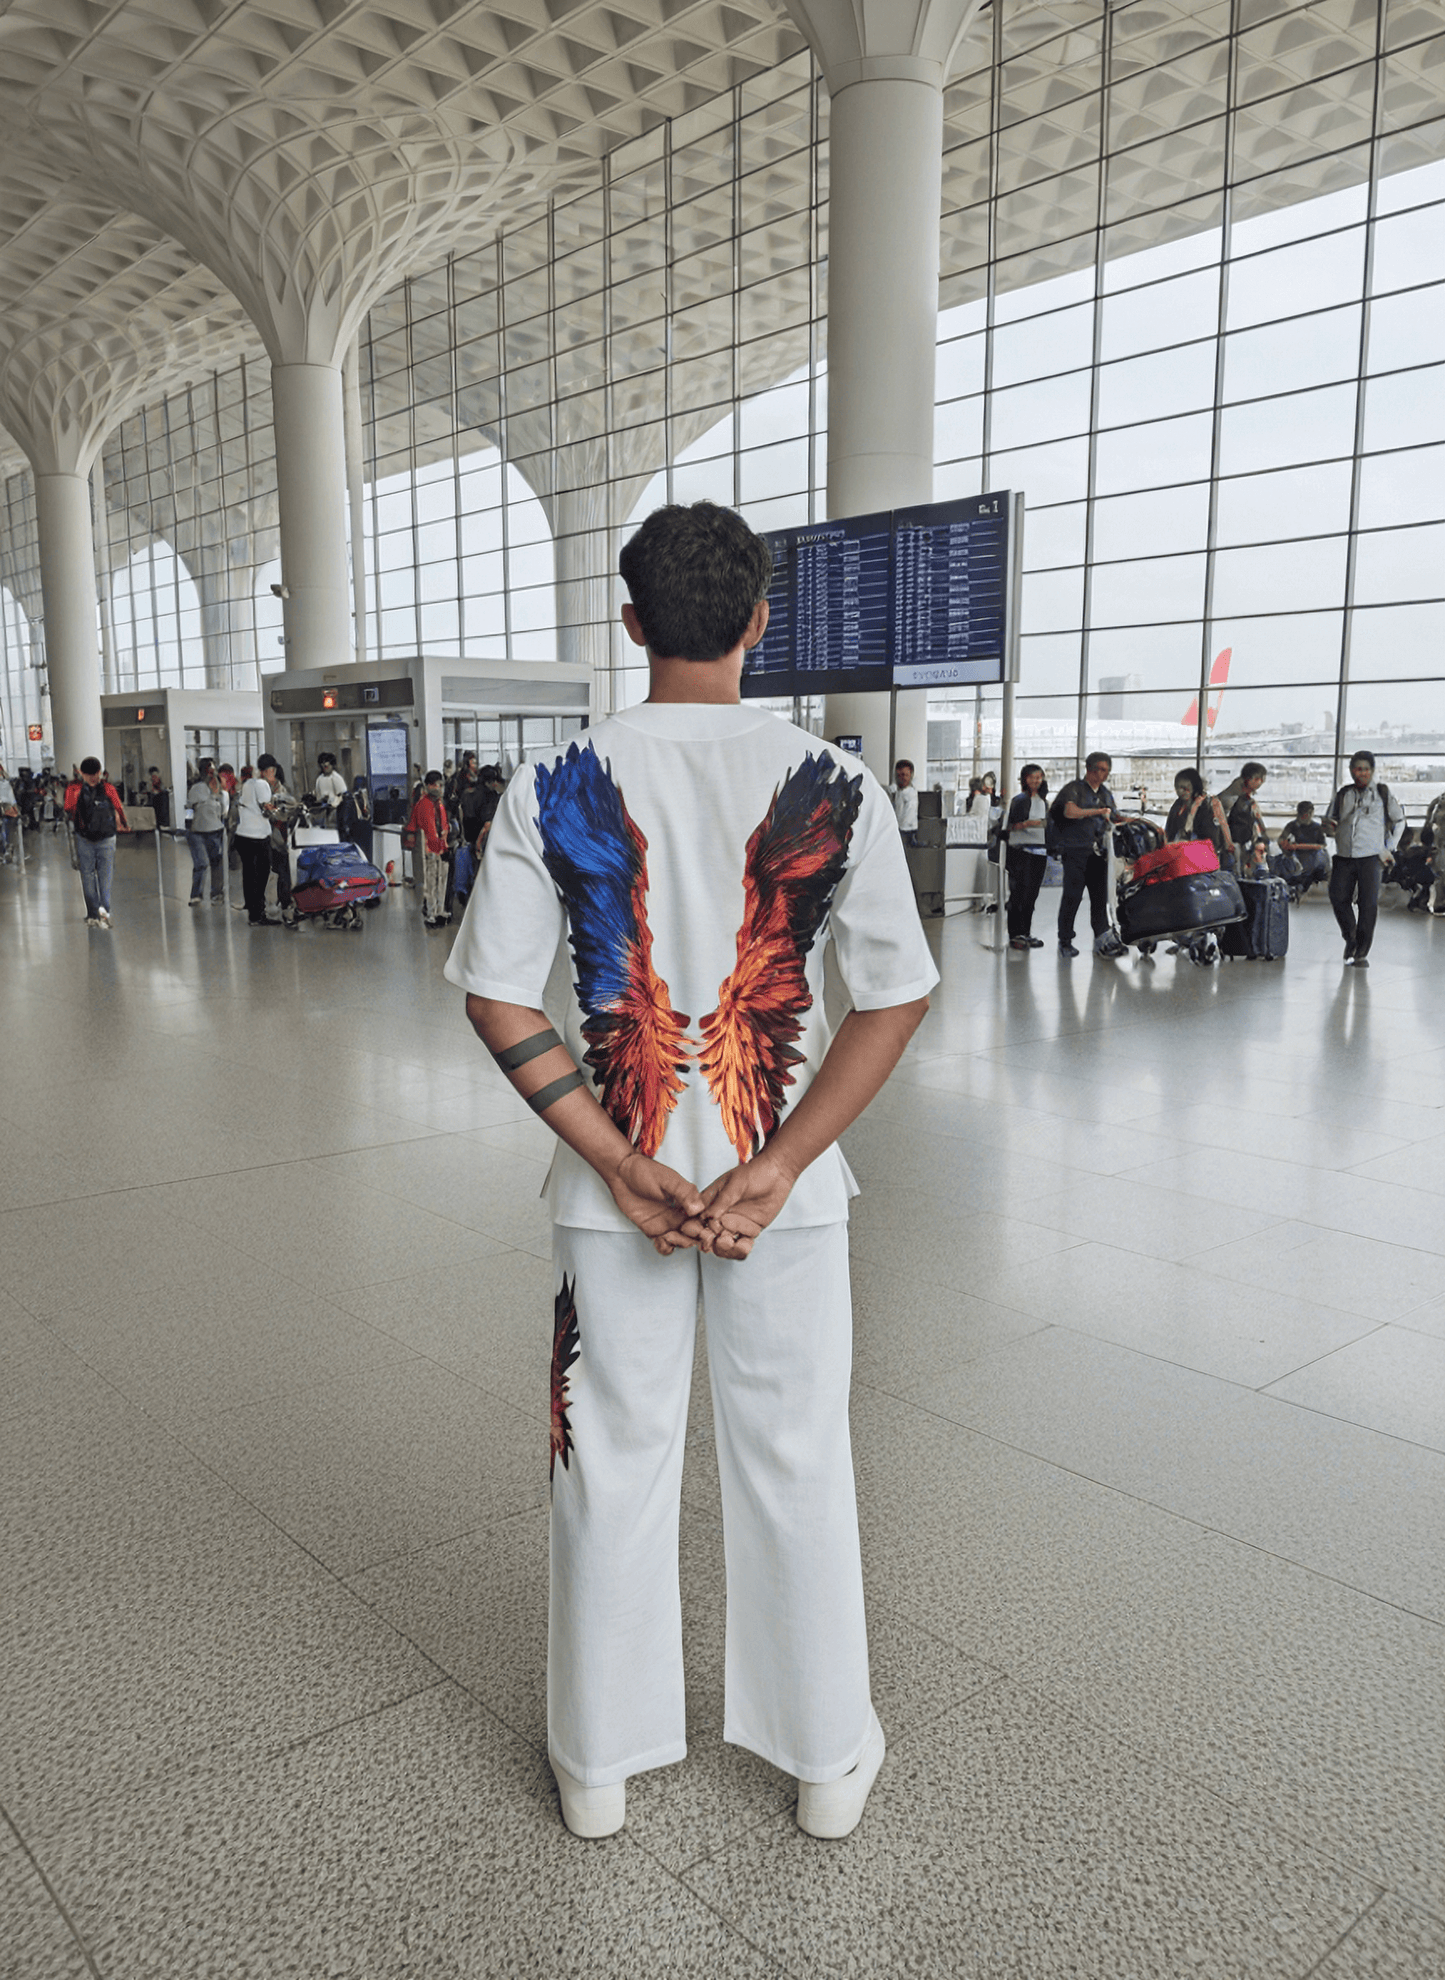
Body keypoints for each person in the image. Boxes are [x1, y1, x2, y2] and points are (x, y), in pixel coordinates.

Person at [446, 500, 934, 1844]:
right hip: (791, 1202)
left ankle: (597, 1765)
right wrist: (773, 1168)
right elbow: (892, 999)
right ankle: (826, 1757)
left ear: (630, 623)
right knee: (794, 1455)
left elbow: (499, 997)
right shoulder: (839, 788)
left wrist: (616, 1158)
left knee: (605, 1456)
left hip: (615, 1202)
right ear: (760, 624)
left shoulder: (553, 782)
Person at [1324, 750, 1405, 967]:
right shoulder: (1343, 794)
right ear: (1351, 771)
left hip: (1371, 856)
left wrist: (1389, 848)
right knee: (1338, 897)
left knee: (1368, 903)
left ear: (1372, 771)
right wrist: (1329, 827)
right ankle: (1350, 936)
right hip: (1344, 855)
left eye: (1366, 769)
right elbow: (1330, 821)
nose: (1362, 774)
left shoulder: (1382, 793)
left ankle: (1361, 951)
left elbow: (1399, 821)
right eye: (1358, 769)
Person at [1054, 751, 1123, 958]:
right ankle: (1065, 940)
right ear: (1089, 768)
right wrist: (1098, 811)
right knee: (1072, 896)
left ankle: (1102, 938)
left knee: (1100, 897)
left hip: (1099, 854)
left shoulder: (1105, 793)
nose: (1104, 774)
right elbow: (1070, 812)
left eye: (1107, 770)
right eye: (1101, 769)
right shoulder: (1074, 789)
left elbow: (1114, 816)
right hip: (1075, 852)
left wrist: (1134, 822)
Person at [64, 757, 129, 927]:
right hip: (107, 838)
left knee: (87, 875)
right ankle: (104, 912)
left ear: (82, 773)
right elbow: (119, 807)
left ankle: (92, 914)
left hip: (84, 838)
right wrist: (124, 822)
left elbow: (68, 808)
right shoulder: (108, 788)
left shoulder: (74, 789)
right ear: (99, 772)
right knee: (105, 875)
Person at [234, 754, 284, 927]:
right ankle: (257, 915)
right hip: (257, 837)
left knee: (249, 875)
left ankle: (253, 912)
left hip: (242, 836)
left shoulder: (248, 783)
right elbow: (267, 808)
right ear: (269, 770)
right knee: (260, 876)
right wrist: (281, 810)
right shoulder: (263, 784)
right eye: (273, 771)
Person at [1005, 764, 1048, 950]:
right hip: (1021, 852)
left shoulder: (1044, 801)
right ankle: (1015, 934)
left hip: (1039, 851)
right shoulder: (1019, 800)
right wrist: (1026, 824)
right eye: (1031, 777)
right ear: (1024, 779)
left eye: (1039, 777)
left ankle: (1026, 932)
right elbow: (1011, 825)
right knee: (1019, 894)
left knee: (1031, 895)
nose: (1035, 781)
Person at [406, 770, 450, 928]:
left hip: (442, 849)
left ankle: (440, 910)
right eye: (436, 784)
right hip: (430, 850)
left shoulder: (439, 804)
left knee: (442, 880)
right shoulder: (422, 805)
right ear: (429, 785)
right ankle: (431, 912)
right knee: (431, 882)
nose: (439, 788)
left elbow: (443, 826)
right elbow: (426, 830)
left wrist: (445, 843)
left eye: (440, 784)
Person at [1164, 768, 1233, 864]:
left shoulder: (1211, 803)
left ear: (1194, 786)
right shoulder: (1178, 805)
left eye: (1185, 788)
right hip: (1180, 855)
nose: (1180, 791)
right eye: (1177, 787)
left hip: (1205, 854)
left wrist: (1229, 847)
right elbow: (1169, 829)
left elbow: (1223, 826)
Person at [184, 757, 228, 906]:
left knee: (216, 862)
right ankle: (196, 894)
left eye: (213, 770)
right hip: (197, 832)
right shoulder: (196, 788)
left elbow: (224, 809)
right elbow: (189, 808)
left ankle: (217, 893)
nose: (212, 773)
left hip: (215, 830)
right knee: (201, 863)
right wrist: (188, 824)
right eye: (209, 770)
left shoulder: (219, 789)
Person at [1219, 762, 1270, 872]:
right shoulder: (1230, 798)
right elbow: (1221, 822)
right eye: (1258, 779)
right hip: (1230, 843)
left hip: (1243, 840)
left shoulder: (1247, 797)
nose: (1261, 783)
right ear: (1251, 779)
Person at [1278, 802, 1328, 893]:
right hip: (1297, 855)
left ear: (1311, 813)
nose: (1306, 815)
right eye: (1303, 813)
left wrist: (1301, 846)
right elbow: (1282, 839)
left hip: (1313, 855)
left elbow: (1322, 845)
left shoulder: (1317, 827)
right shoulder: (1292, 825)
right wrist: (1285, 845)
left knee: (1321, 855)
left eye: (1308, 813)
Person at [312, 752, 348, 822]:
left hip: (335, 808)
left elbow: (342, 795)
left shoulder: (336, 777)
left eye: (327, 766)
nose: (325, 767)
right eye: (323, 765)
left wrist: (332, 800)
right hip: (322, 808)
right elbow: (318, 795)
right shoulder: (319, 779)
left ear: (332, 765)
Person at [890, 759, 918, 839]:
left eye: (906, 775)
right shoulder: (899, 791)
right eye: (900, 775)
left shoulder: (910, 793)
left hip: (907, 832)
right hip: (899, 830)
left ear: (911, 775)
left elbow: (907, 818)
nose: (903, 778)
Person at [0, 761, 17, 865]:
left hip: (5, 811)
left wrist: (14, 807)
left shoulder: (5, 784)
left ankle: (7, 848)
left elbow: (11, 798)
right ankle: (6, 848)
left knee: (5, 829)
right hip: (5, 810)